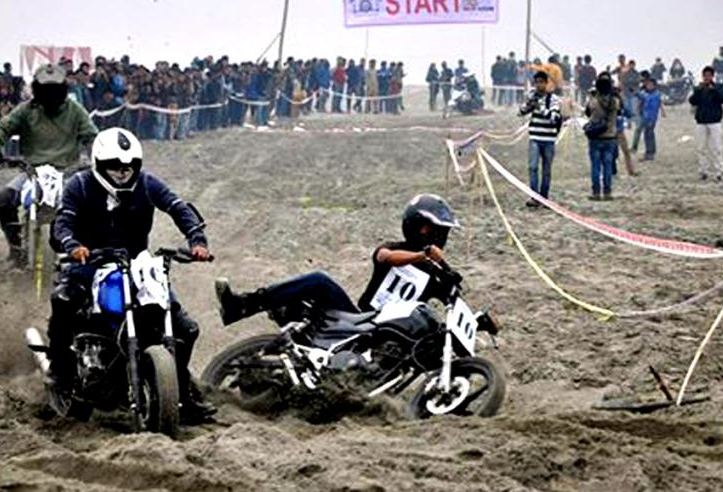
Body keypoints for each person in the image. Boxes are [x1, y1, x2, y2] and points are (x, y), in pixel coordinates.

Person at [48, 127, 216, 424]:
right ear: (99, 164)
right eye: (115, 166)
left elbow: (177, 207)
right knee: (63, 301)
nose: (122, 173)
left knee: (186, 329)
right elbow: (63, 221)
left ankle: (182, 395)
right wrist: (72, 245)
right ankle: (60, 373)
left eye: (128, 166)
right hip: (90, 262)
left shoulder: (148, 183)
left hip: (137, 263)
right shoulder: (80, 185)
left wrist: (197, 240)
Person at [215, 194, 460, 325]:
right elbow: (386, 258)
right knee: (320, 281)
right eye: (434, 230)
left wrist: (483, 321)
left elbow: (456, 304)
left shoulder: (436, 272)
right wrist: (422, 255)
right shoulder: (396, 249)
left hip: (396, 333)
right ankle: (243, 305)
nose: (440, 236)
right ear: (418, 227)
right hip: (359, 320)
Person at [0, 64, 98, 266]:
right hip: (32, 172)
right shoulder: (26, 110)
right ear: (37, 89)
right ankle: (16, 250)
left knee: (85, 204)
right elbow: (1, 128)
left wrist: (95, 155)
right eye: (46, 89)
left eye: (54, 89)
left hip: (68, 172)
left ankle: (79, 247)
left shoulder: (75, 110)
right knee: (4, 199)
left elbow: (92, 135)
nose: (50, 94)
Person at [519, 71, 562, 208]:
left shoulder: (553, 99)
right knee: (532, 167)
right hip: (535, 137)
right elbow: (520, 113)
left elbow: (554, 117)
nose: (539, 85)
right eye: (536, 82)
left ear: (546, 83)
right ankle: (534, 196)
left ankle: (544, 197)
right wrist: (528, 105)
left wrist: (541, 108)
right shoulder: (531, 95)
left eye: (541, 82)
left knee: (546, 170)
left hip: (549, 138)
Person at [585, 72, 621, 201]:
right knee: (607, 165)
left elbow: (587, 113)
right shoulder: (615, 101)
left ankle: (596, 192)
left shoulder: (593, 102)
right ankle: (607, 191)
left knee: (595, 165)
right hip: (610, 137)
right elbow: (620, 111)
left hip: (595, 137)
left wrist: (592, 96)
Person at [689, 66, 723, 182]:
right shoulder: (699, 88)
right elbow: (692, 101)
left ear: (712, 76)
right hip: (701, 121)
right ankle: (703, 171)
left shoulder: (718, 87)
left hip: (715, 121)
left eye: (709, 75)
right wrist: (699, 90)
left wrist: (713, 90)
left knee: (716, 147)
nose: (707, 77)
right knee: (701, 148)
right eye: (705, 75)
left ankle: (720, 171)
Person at [635, 77, 663, 160]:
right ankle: (648, 152)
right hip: (645, 117)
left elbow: (654, 108)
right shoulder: (646, 93)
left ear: (654, 85)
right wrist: (635, 92)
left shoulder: (656, 95)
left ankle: (650, 153)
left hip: (651, 118)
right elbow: (641, 95)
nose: (649, 86)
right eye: (647, 85)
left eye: (651, 85)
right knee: (646, 135)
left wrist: (652, 120)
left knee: (650, 135)